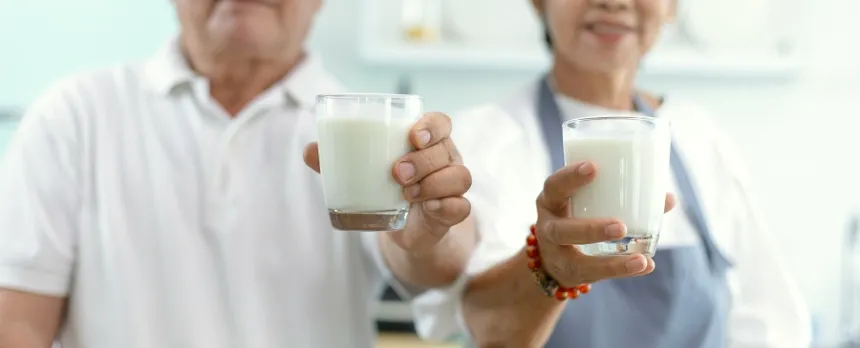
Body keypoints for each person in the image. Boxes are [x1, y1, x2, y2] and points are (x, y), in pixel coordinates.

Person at [0, 1, 476, 347]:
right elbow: (17, 323)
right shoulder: (74, 117)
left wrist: (431, 227)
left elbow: (431, 262)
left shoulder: (370, 130)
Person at [410, 0, 812, 347]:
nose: (614, 1)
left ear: (671, 7)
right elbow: (487, 328)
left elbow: (769, 325)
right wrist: (548, 268)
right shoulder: (484, 141)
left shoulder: (700, 138)